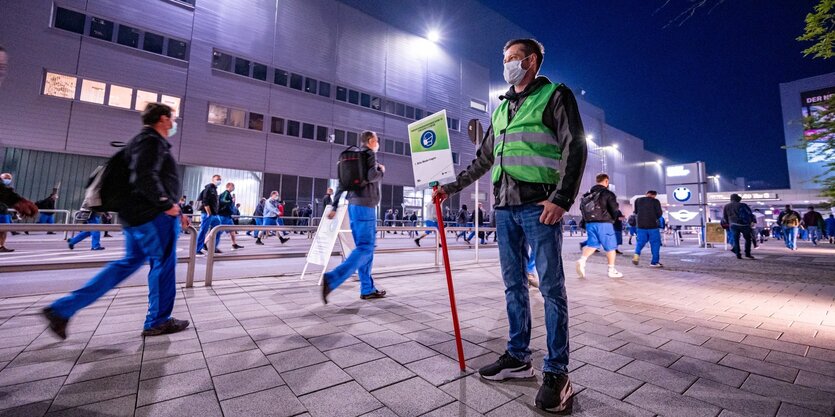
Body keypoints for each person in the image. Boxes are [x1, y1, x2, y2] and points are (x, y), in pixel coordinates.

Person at [433, 38, 586, 413]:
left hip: (540, 206)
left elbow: (575, 147)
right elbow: (484, 159)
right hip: (505, 209)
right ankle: (518, 357)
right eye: (504, 59)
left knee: (551, 289)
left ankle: (557, 372)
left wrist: (562, 199)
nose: (507, 65)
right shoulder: (500, 109)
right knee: (514, 285)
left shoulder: (555, 96)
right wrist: (450, 188)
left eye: (512, 59)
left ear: (531, 61)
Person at [42, 103, 190, 338]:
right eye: (172, 118)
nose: (174, 123)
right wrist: (166, 204)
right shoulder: (150, 141)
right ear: (163, 118)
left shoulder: (141, 141)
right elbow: (145, 176)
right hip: (152, 216)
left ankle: (62, 309)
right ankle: (158, 320)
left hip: (137, 217)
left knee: (128, 263)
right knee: (163, 265)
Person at [322, 131, 387, 302]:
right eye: (377, 140)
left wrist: (335, 206)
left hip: (353, 206)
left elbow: (341, 185)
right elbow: (372, 176)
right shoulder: (369, 155)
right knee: (366, 248)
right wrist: (381, 170)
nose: (377, 143)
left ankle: (367, 289)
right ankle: (332, 278)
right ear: (371, 141)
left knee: (365, 249)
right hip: (366, 207)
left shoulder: (352, 159)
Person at [575, 174, 622, 278]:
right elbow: (614, 209)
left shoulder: (587, 194)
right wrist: (613, 219)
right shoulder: (608, 193)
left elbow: (581, 208)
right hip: (604, 223)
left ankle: (582, 260)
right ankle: (611, 270)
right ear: (606, 181)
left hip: (590, 223)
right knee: (611, 247)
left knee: (592, 244)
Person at [0, 173, 39, 252]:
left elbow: (5, 193)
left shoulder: (5, 188)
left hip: (3, 211)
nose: (7, 179)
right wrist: (19, 201)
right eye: (6, 178)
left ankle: (1, 246)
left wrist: (19, 201)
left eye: (9, 178)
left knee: (3, 230)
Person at [632, 190, 663, 267]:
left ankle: (636, 255)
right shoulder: (655, 201)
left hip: (641, 226)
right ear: (654, 195)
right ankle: (654, 262)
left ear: (646, 194)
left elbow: (635, 212)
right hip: (653, 226)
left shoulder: (637, 200)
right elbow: (659, 214)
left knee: (640, 242)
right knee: (655, 243)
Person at [722, 193, 755, 260]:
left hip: (733, 225)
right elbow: (750, 214)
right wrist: (751, 222)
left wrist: (729, 223)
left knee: (736, 239)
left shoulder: (727, 206)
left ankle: (738, 254)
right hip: (744, 225)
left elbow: (725, 217)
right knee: (748, 239)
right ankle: (747, 253)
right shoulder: (743, 205)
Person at [195, 175, 222, 255]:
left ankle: (213, 247)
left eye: (220, 179)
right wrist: (208, 212)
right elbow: (205, 201)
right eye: (217, 179)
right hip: (207, 214)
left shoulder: (214, 189)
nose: (219, 181)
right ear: (213, 180)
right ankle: (197, 249)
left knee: (217, 230)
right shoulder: (209, 188)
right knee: (203, 230)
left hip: (214, 214)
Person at [218, 182, 244, 250]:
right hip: (223, 216)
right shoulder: (226, 193)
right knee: (217, 231)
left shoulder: (228, 194)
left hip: (228, 216)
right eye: (233, 186)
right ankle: (205, 243)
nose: (234, 188)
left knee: (232, 230)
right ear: (229, 187)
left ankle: (234, 244)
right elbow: (222, 201)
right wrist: (231, 201)